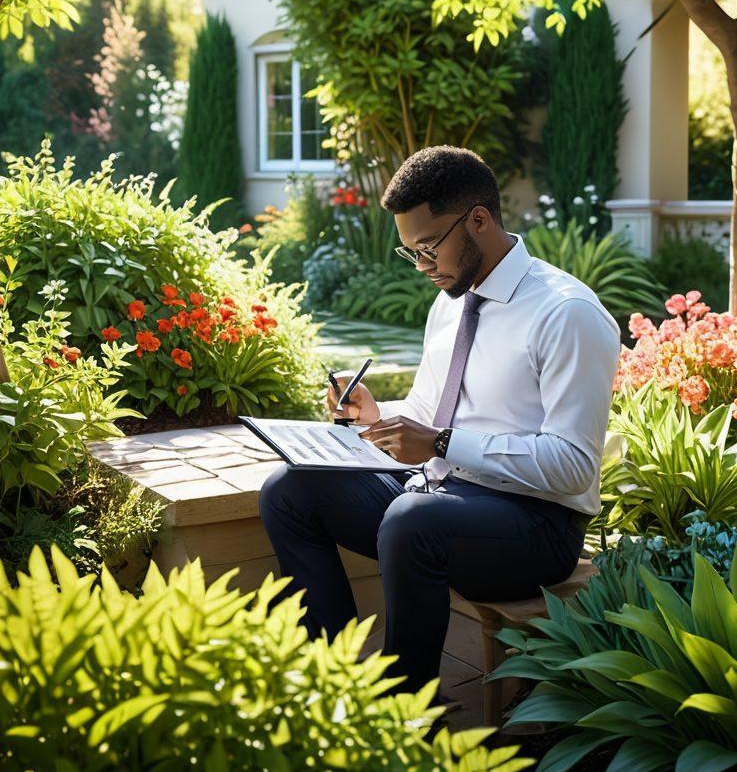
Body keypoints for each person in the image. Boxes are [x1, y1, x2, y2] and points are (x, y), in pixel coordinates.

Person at [259, 145, 621, 698]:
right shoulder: (450, 300)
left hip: (536, 526)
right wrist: (379, 416)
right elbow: (433, 415)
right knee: (289, 490)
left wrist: (443, 442)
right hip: (438, 494)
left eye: (429, 248)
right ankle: (328, 686)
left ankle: (404, 717)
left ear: (479, 219)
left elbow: (572, 467)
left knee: (412, 520)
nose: (424, 266)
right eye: (411, 253)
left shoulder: (566, 313)